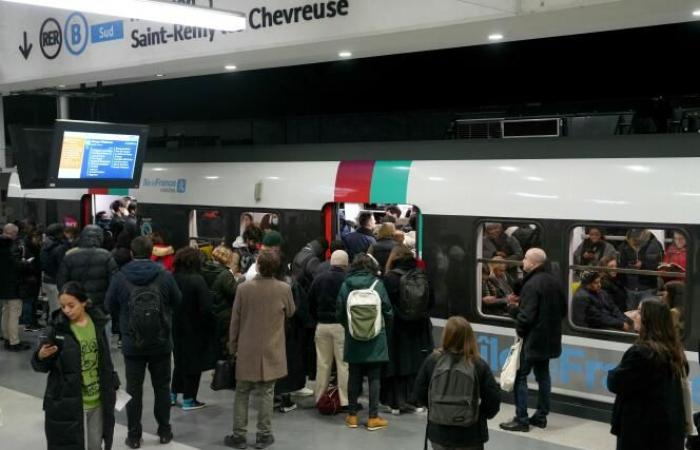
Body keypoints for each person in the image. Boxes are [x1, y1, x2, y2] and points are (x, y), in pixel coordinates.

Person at [105, 236, 182, 448]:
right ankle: (164, 431)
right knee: (162, 388)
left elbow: (108, 304)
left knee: (134, 390)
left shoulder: (120, 277)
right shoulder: (165, 276)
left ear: (131, 252)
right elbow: (177, 300)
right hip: (161, 342)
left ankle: (134, 435)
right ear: (152, 252)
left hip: (132, 344)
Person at [31, 282, 119, 450]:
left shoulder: (98, 323)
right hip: (67, 401)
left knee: (96, 444)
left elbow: (105, 359)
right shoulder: (57, 328)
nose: (67, 310)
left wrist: (112, 381)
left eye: (71, 305)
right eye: (63, 306)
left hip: (97, 398)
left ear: (84, 302)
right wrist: (40, 356)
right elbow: (39, 366)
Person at [225, 249, 296, 450]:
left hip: (246, 349)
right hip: (272, 349)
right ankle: (264, 435)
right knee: (267, 392)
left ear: (258, 266)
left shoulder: (243, 289)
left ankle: (239, 435)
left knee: (242, 392)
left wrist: (232, 346)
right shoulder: (284, 289)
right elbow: (291, 311)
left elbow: (235, 321)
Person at [607, 299, 688, 450]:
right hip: (668, 426)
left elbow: (615, 382)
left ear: (648, 319)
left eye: (639, 311)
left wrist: (612, 373)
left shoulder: (641, 353)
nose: (634, 315)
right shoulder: (674, 349)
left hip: (641, 429)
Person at [500, 248, 566, 432]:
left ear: (534, 262)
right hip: (549, 338)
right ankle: (541, 416)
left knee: (520, 376)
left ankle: (521, 420)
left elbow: (526, 318)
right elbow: (563, 311)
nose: (523, 261)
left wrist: (512, 309)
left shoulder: (532, 285)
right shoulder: (555, 282)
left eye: (526, 258)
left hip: (532, 340)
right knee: (543, 376)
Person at [414, 316, 501, 450]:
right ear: (470, 337)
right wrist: (478, 413)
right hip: (470, 434)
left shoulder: (432, 361)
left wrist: (438, 407)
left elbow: (419, 394)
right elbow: (493, 401)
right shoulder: (478, 364)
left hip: (439, 432)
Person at [336, 253, 393, 431]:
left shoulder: (346, 284)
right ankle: (373, 418)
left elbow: (339, 311)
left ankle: (352, 416)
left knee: (354, 376)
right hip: (376, 338)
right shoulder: (378, 284)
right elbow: (388, 311)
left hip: (353, 338)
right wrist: (382, 328)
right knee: (374, 378)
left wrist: (350, 327)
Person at [381, 245, 433, 414]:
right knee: (417, 364)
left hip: (397, 330)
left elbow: (384, 305)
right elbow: (432, 301)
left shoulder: (389, 278)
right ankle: (417, 401)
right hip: (420, 329)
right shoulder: (423, 275)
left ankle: (395, 403)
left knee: (397, 365)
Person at [171, 247, 215, 411]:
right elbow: (206, 308)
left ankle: (173, 394)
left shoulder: (173, 277)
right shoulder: (197, 280)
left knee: (179, 362)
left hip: (175, 327)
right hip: (195, 328)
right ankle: (189, 399)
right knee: (194, 365)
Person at [308, 249, 349, 409]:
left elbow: (310, 301)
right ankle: (345, 400)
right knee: (343, 365)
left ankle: (319, 397)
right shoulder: (347, 280)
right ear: (346, 263)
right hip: (340, 326)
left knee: (323, 364)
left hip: (322, 326)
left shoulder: (319, 279)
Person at [57, 225, 119, 313]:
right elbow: (114, 282)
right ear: (100, 238)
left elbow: (61, 282)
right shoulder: (107, 256)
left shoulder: (70, 256)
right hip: (100, 306)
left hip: (76, 305)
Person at [0, 223, 31, 351]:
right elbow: (16, 265)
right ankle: (14, 342)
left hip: (2, 284)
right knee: (14, 313)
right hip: (13, 285)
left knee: (5, 311)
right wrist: (26, 263)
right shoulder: (10, 246)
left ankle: (6, 337)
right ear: (12, 233)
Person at [618, 229, 663, 311]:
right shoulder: (625, 245)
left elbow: (658, 266)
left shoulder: (654, 245)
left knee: (647, 315)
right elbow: (621, 264)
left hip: (647, 287)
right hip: (629, 287)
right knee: (631, 314)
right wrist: (628, 267)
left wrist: (643, 265)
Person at [40, 223, 69, 315]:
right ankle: (54, 328)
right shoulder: (59, 247)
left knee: (52, 307)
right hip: (56, 281)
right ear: (59, 233)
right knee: (58, 310)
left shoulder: (45, 245)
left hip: (47, 279)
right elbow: (62, 266)